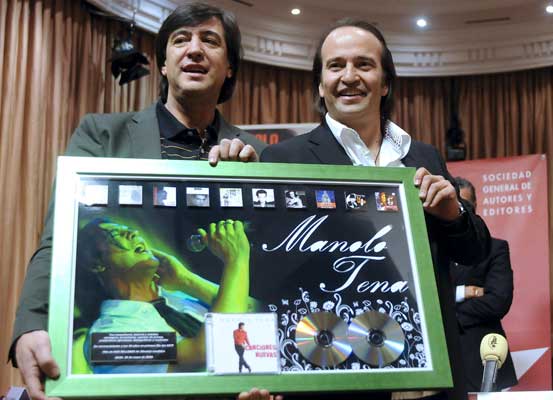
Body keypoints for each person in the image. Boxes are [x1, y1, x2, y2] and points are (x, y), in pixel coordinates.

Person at [10, 2, 268, 399]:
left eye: (210, 41)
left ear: (230, 67)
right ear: (163, 64)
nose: (194, 49)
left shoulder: (256, 155)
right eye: (181, 40)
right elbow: (58, 240)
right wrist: (32, 323)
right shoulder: (102, 134)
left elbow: (267, 287)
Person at [261, 18, 491, 400]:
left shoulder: (423, 156)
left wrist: (454, 215)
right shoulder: (284, 160)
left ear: (385, 82)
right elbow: (268, 274)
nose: (349, 76)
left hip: (430, 379)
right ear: (320, 84)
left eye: (364, 64)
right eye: (336, 65)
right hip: (333, 373)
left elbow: (475, 251)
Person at [74, 217, 251, 373]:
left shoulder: (179, 297)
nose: (133, 233)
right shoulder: (106, 335)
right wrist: (236, 259)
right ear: (95, 264)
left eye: (129, 229)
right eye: (115, 234)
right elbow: (204, 354)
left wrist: (187, 281)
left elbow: (251, 310)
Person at [452, 177, 518, 391]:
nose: (460, 209)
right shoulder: (431, 251)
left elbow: (497, 301)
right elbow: (423, 299)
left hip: (483, 361)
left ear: (476, 206)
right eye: (453, 203)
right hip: (442, 364)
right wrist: (463, 292)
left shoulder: (496, 249)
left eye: (465, 203)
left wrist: (447, 313)